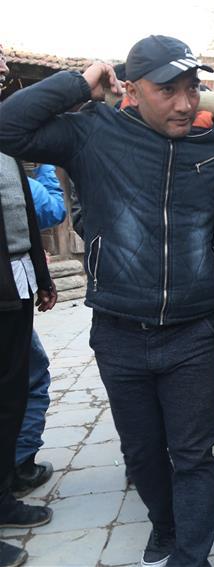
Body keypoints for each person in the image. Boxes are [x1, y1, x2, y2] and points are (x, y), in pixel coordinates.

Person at [0, 35, 214, 567]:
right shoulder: (93, 134)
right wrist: (81, 80)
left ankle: (191, 557)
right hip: (119, 330)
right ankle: (164, 526)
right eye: (167, 90)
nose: (184, 102)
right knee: (142, 453)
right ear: (131, 89)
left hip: (193, 331)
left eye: (192, 88)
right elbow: (7, 127)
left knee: (194, 454)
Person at [0, 45, 57, 567]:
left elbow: (19, 222)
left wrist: (41, 276)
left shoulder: (6, 145)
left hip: (12, 289)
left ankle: (6, 487)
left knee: (16, 387)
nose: (3, 71)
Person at [12, 164, 66, 497]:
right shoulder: (7, 169)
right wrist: (45, 165)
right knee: (31, 377)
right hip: (8, 292)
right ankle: (21, 466)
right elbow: (52, 210)